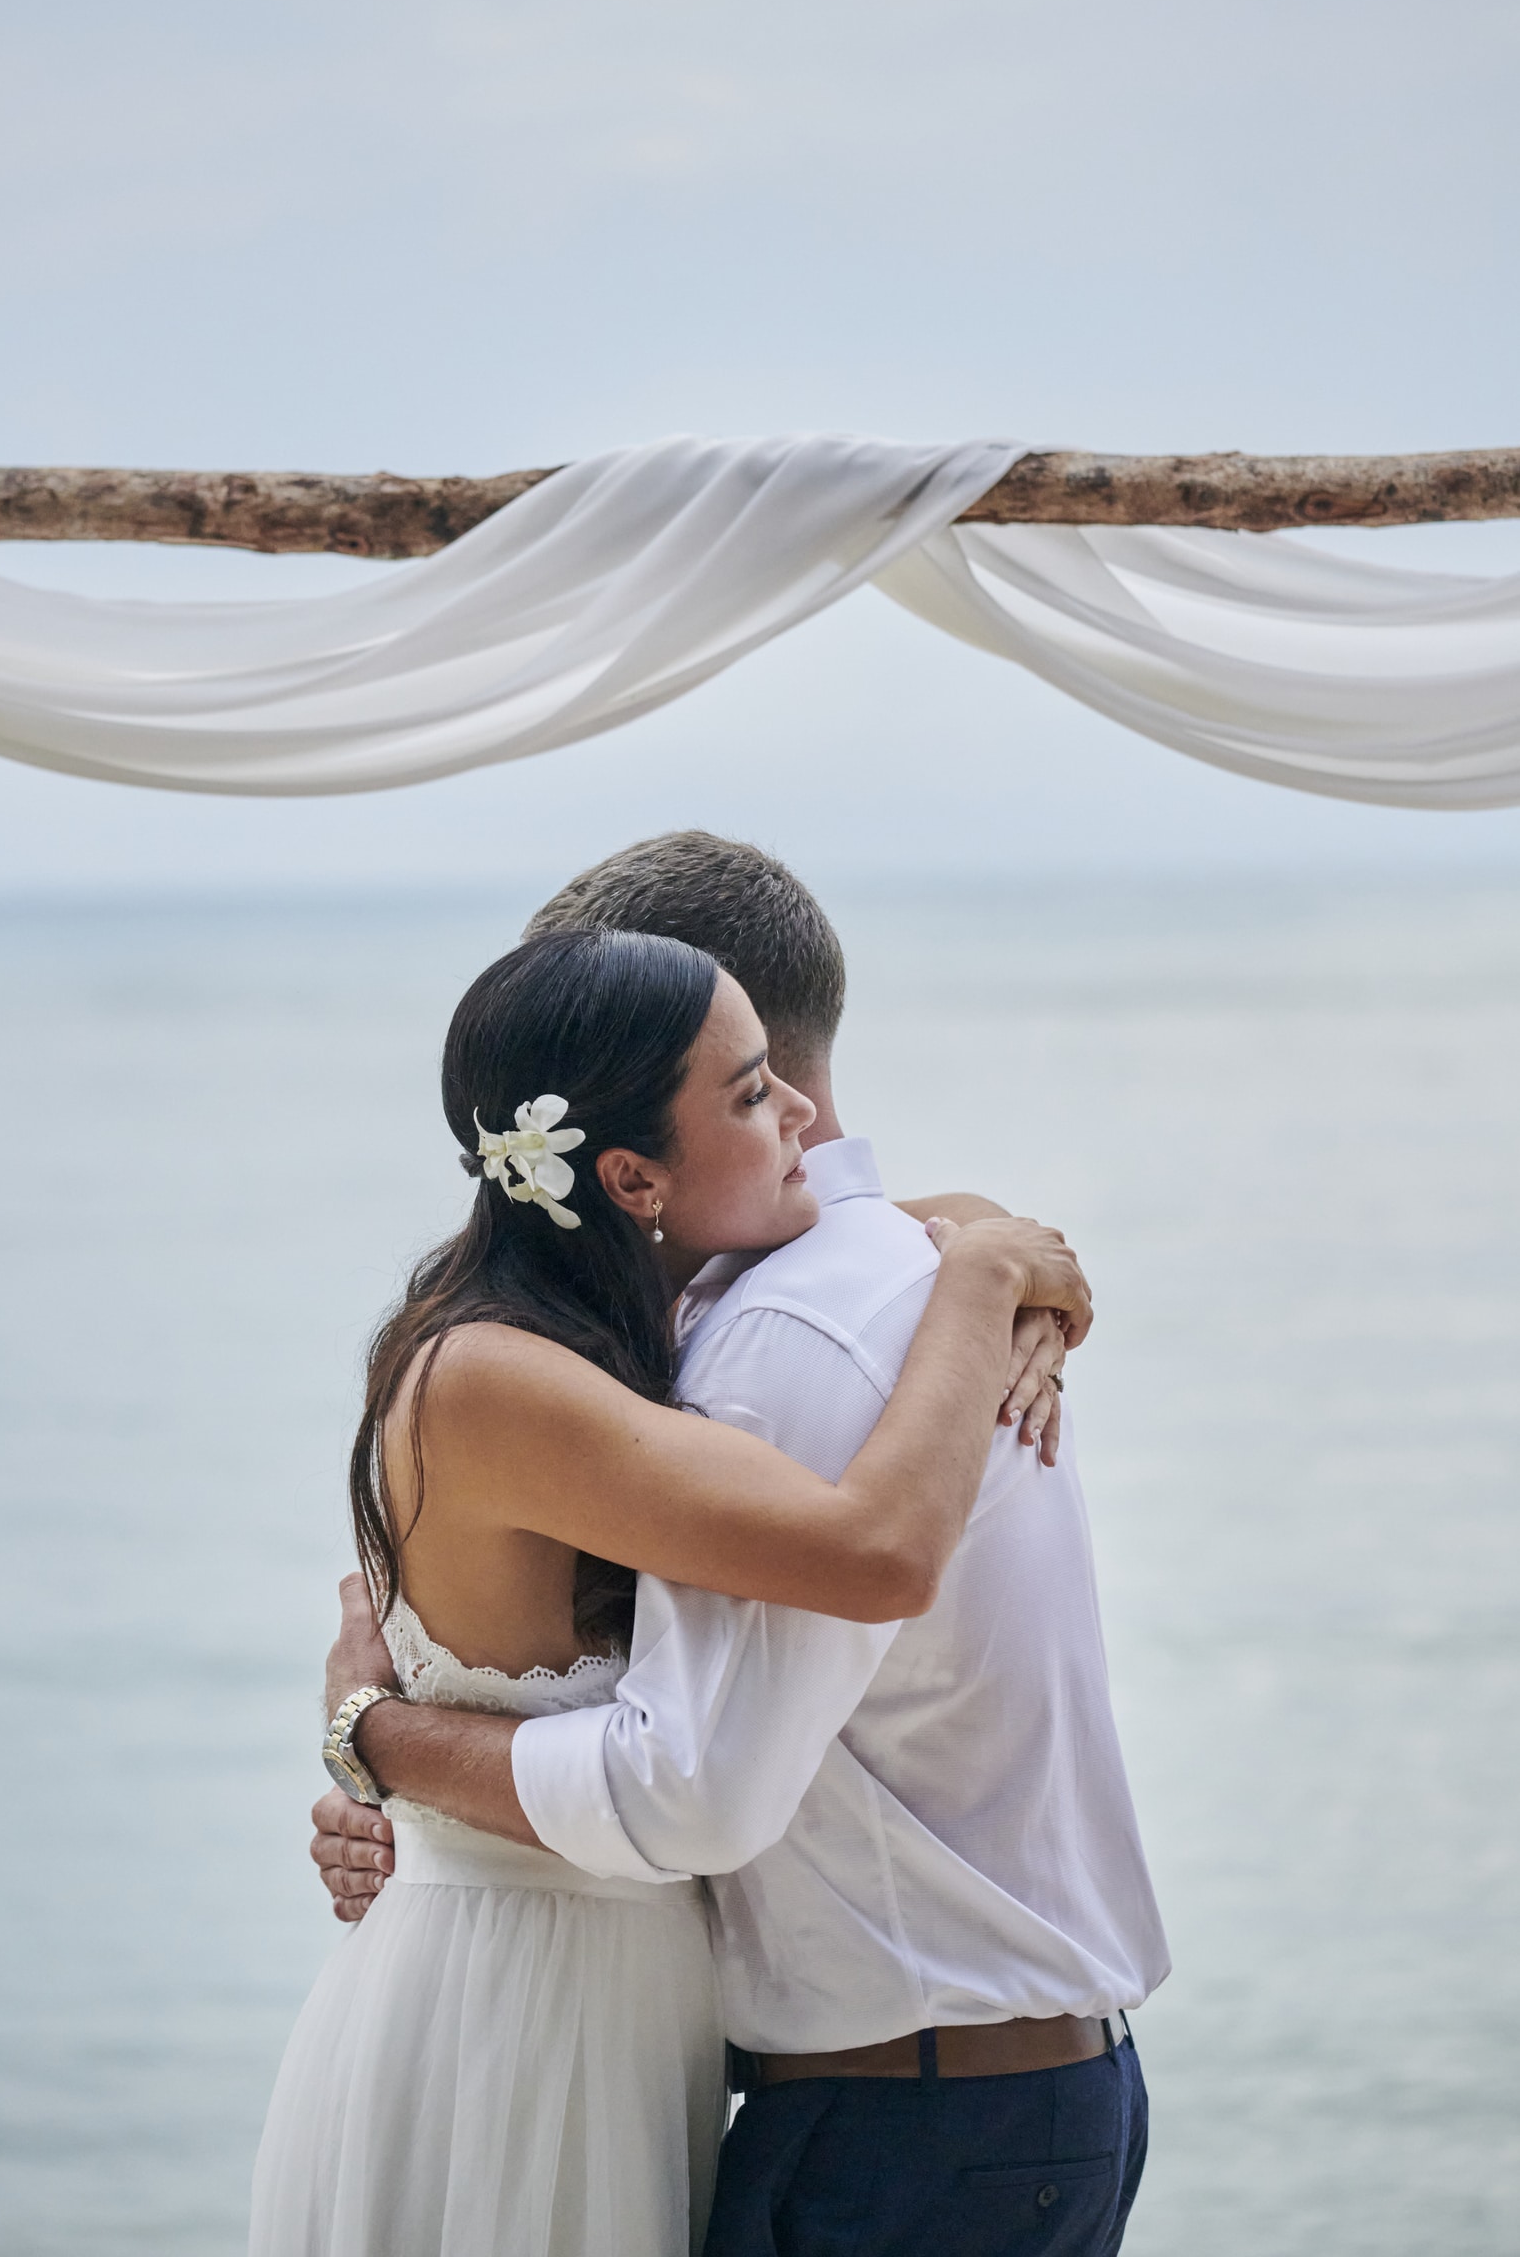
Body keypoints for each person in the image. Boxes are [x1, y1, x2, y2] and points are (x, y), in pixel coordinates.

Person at [312, 832, 1168, 2256]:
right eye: (746, 1089)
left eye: (769, 1081)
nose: (796, 1126)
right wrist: (374, 1748)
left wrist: (381, 1741)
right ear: (630, 1169)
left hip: (912, 2111)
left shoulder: (780, 1335)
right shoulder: (691, 1337)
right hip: (858, 2087)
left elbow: (693, 1777)